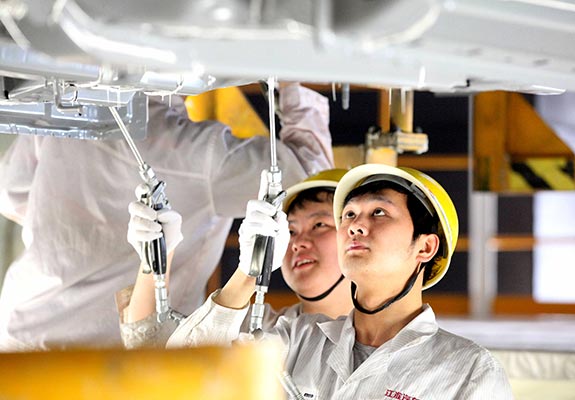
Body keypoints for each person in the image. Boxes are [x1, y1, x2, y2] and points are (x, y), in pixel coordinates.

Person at [0, 82, 333, 351]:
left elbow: (11, 196)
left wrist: (82, 234)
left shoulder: (63, 111)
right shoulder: (198, 154)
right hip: (114, 354)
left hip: (22, 331)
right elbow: (308, 177)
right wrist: (289, 82)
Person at [165, 163, 514, 399]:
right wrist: (248, 271)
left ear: (425, 246)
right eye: (349, 215)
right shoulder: (297, 339)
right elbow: (180, 375)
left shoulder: (468, 371)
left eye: (379, 212)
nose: (355, 226)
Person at [120, 168, 353, 348]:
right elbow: (155, 355)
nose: (298, 241)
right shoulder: (256, 328)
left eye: (319, 224)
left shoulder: (384, 345)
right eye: (290, 231)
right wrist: (156, 259)